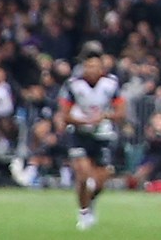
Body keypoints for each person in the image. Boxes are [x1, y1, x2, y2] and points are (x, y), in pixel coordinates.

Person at [57, 44, 124, 230]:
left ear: (101, 67)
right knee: (83, 173)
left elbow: (121, 112)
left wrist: (104, 116)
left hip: (102, 133)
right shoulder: (73, 85)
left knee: (102, 179)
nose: (92, 70)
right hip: (79, 133)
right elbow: (65, 113)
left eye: (95, 66)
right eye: (88, 66)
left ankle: (90, 201)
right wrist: (82, 121)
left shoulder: (111, 84)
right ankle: (84, 212)